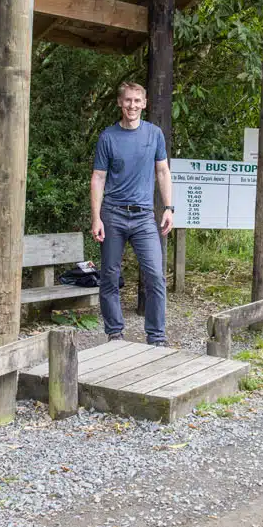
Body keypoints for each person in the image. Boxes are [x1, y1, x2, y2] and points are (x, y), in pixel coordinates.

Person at [90, 82, 174, 345]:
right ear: (119, 103)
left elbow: (163, 171)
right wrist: (96, 217)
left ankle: (156, 337)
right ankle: (115, 333)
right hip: (113, 214)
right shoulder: (108, 137)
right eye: (128, 100)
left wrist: (169, 208)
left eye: (137, 101)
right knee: (110, 277)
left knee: (155, 277)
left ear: (145, 104)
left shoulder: (154, 134)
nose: (132, 105)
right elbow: (98, 178)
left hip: (144, 216)